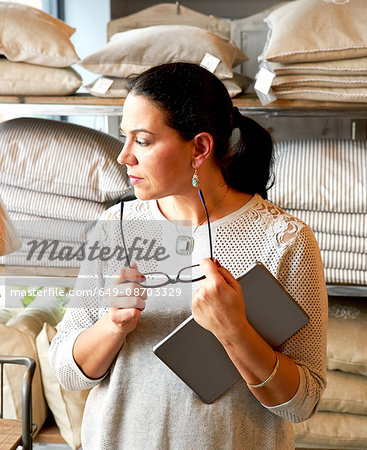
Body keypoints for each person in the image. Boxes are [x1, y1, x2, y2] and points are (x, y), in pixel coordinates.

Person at [49, 62, 327, 450]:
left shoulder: (285, 240)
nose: (124, 156)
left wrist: (234, 331)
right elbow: (67, 371)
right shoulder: (116, 225)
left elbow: (303, 403)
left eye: (142, 141)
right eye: (124, 138)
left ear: (199, 148)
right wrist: (112, 326)